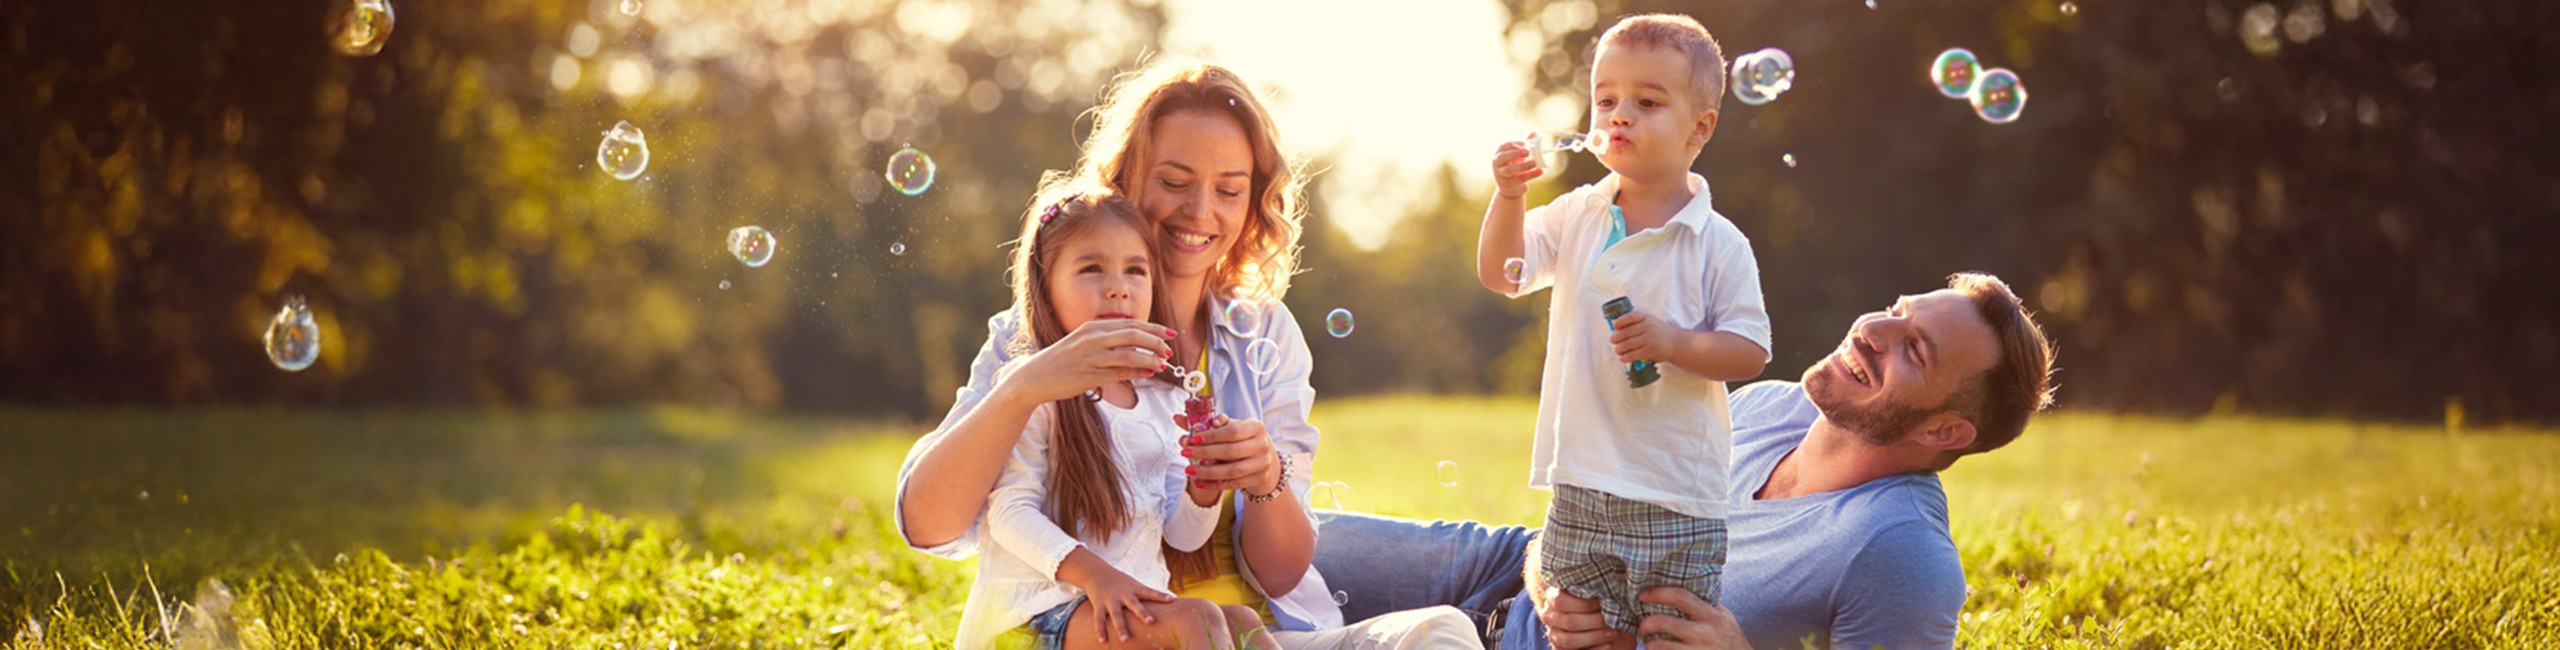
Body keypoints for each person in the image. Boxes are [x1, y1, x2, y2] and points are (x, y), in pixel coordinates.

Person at [897, 61, 1478, 647]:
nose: (1201, 212)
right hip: (1109, 626)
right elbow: (930, 525)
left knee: (1443, 630)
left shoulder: (1262, 338)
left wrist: (1263, 478)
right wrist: (1023, 386)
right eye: (1174, 182)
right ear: (1122, 182)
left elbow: (1266, 566)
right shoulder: (1038, 338)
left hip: (1266, 630)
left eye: (1229, 190)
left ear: (1253, 202)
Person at [1313, 273, 2058, 649]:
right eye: (1897, 311)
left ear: (1947, 433)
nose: (1873, 330)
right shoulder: (1770, 407)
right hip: (1508, 568)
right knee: (1262, 531)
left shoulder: (1901, 555)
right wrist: (1548, 567)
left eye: (1914, 349)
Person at [1477, 13, 1770, 646]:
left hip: (1675, 494)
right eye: (1605, 99)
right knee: (1579, 632)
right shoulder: (1578, 213)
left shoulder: (1717, 243)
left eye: (1647, 101)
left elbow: (1749, 351)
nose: (1618, 115)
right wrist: (1507, 198)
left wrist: (1676, 343)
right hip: (1580, 480)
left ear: (1700, 128)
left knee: (1670, 631)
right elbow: (1503, 274)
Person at [959, 188, 1276, 650]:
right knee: (1197, 620)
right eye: (1092, 269)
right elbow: (1007, 513)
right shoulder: (1033, 388)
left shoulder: (1161, 398)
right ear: (1045, 289)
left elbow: (1182, 537)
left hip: (1125, 606)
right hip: (1031, 620)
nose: (1118, 287)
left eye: (1135, 270)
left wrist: (1202, 490)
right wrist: (1097, 577)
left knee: (1242, 621)